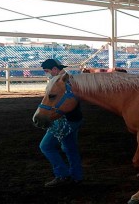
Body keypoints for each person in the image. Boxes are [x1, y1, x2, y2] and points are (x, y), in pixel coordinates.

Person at [39, 58, 83, 187]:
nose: (48, 74)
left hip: (64, 121)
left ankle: (62, 174)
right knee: (70, 148)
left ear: (54, 69)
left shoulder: (62, 81)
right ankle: (77, 176)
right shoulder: (70, 79)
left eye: (48, 71)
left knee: (45, 146)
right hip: (75, 119)